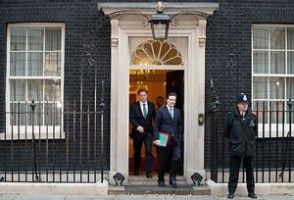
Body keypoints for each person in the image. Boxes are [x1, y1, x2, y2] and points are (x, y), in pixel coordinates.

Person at [224, 93, 257, 199]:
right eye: (242, 104)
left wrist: (250, 143)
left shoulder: (252, 117)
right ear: (238, 104)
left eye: (246, 103)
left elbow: (255, 132)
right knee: (234, 171)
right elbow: (226, 133)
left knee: (250, 172)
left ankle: (251, 192)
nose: (245, 105)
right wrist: (233, 143)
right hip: (236, 147)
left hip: (248, 148)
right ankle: (231, 192)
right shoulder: (231, 117)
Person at [153, 92, 183, 188]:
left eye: (174, 100)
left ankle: (172, 179)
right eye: (171, 99)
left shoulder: (178, 111)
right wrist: (157, 138)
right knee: (163, 161)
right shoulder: (161, 111)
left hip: (176, 139)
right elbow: (156, 126)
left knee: (177, 158)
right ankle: (161, 180)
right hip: (163, 138)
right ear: (167, 100)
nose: (172, 101)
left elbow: (179, 125)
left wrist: (180, 136)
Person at [130, 88, 156, 178]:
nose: (143, 97)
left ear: (147, 95)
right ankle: (136, 169)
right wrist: (137, 126)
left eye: (144, 95)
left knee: (148, 151)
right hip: (137, 132)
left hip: (149, 131)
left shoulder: (152, 105)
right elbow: (132, 118)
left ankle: (149, 171)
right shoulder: (134, 106)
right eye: (141, 95)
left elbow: (155, 118)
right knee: (137, 151)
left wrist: (157, 130)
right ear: (139, 96)